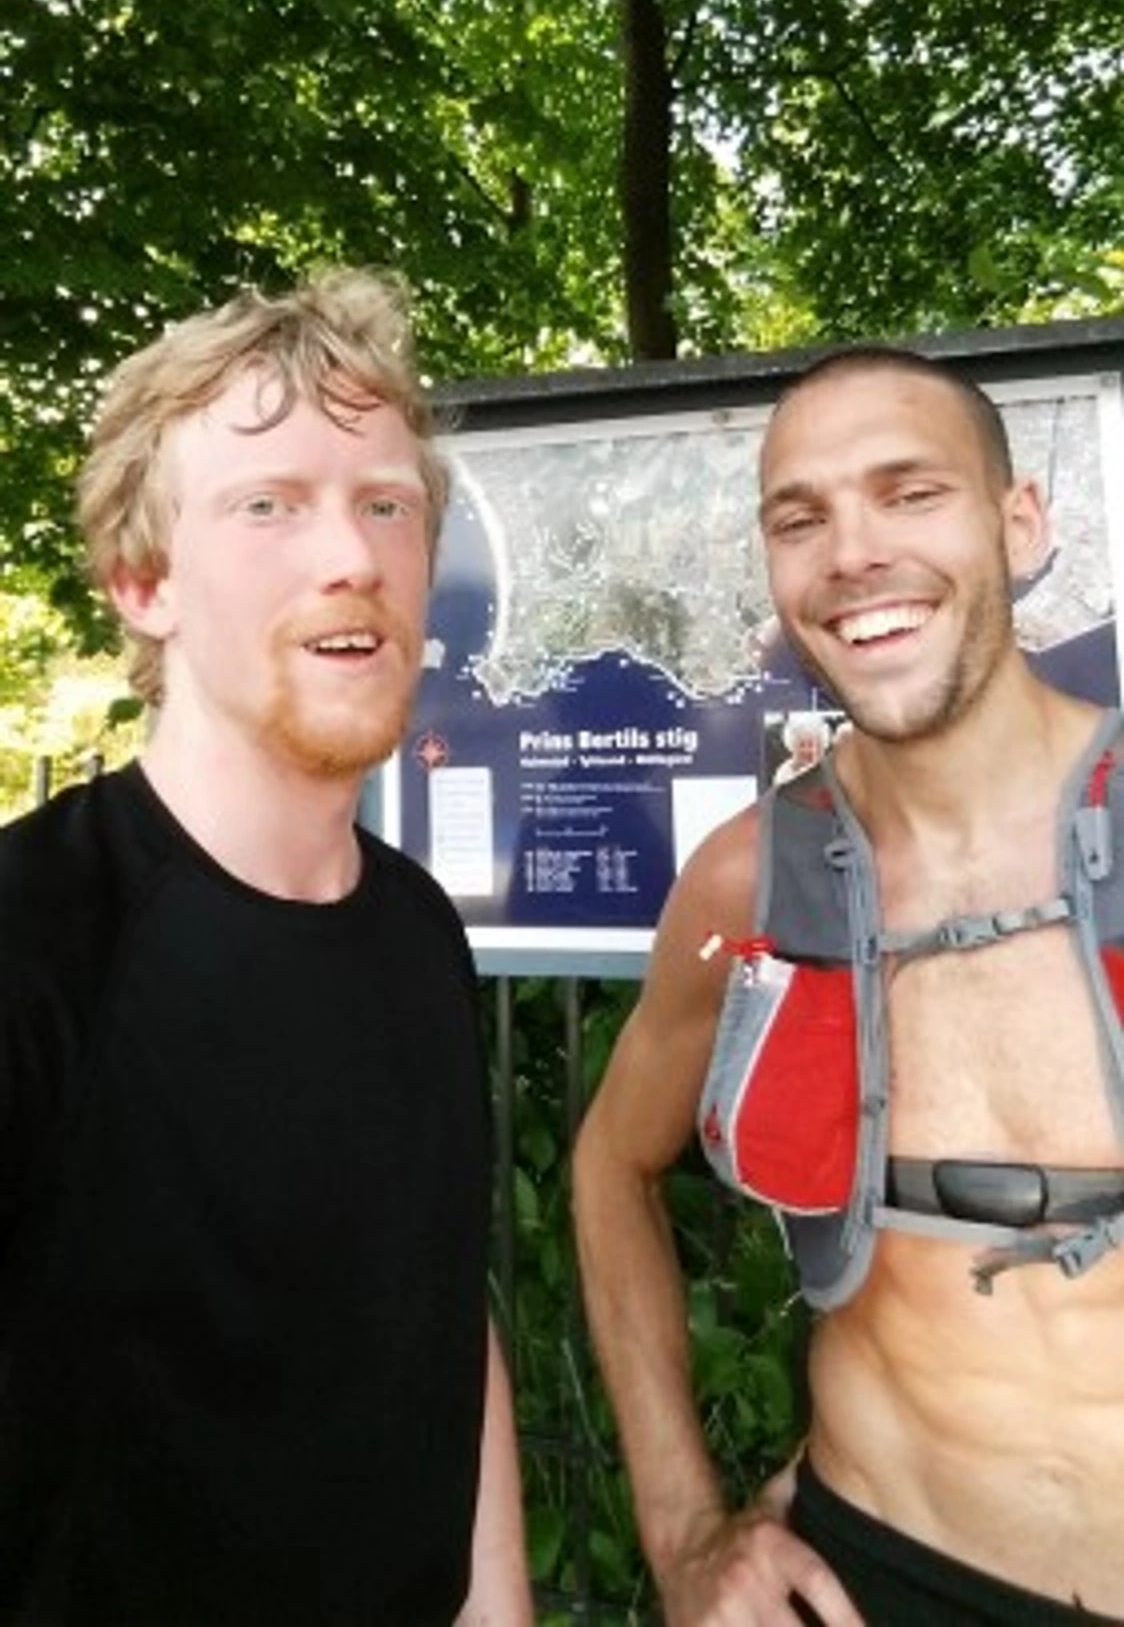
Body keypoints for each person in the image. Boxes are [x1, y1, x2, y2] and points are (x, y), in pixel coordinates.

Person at [0, 269, 533, 1626]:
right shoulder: (34, 939)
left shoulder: (419, 931)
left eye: (386, 504)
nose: (351, 553)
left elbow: (439, 1314)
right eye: (268, 505)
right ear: (144, 582)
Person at [573, 345, 1124, 1626]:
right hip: (876, 1569)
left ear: (1016, 520)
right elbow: (607, 1165)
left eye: (907, 491)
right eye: (799, 517)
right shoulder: (747, 882)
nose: (852, 553)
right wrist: (682, 1532)